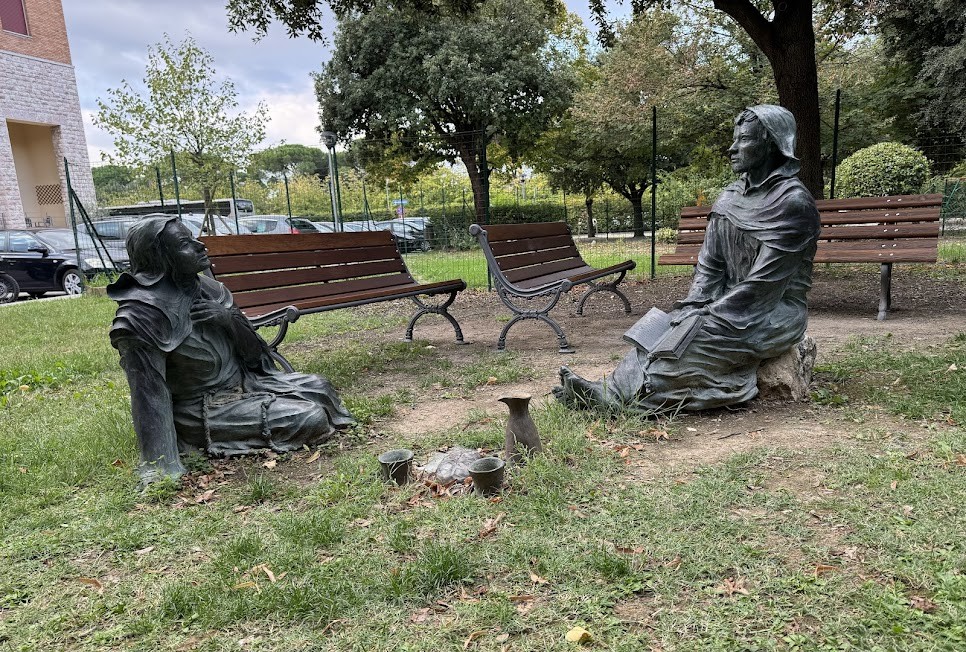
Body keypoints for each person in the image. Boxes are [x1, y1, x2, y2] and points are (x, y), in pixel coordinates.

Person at [554, 104, 821, 413]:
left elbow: (763, 286)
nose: (732, 148)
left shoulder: (793, 203)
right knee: (661, 330)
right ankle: (610, 388)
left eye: (744, 139)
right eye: (735, 139)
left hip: (771, 313)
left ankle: (619, 400)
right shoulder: (729, 198)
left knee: (687, 346)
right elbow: (710, 267)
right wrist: (693, 305)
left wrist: (705, 314)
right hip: (721, 304)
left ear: (772, 143)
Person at [108, 215, 354, 486]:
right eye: (184, 244)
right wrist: (160, 466)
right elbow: (148, 396)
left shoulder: (210, 290)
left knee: (322, 387)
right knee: (310, 417)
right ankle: (196, 437)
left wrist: (227, 320)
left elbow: (254, 355)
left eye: (193, 238)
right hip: (201, 408)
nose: (200, 245)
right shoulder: (140, 317)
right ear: (159, 258)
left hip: (246, 384)